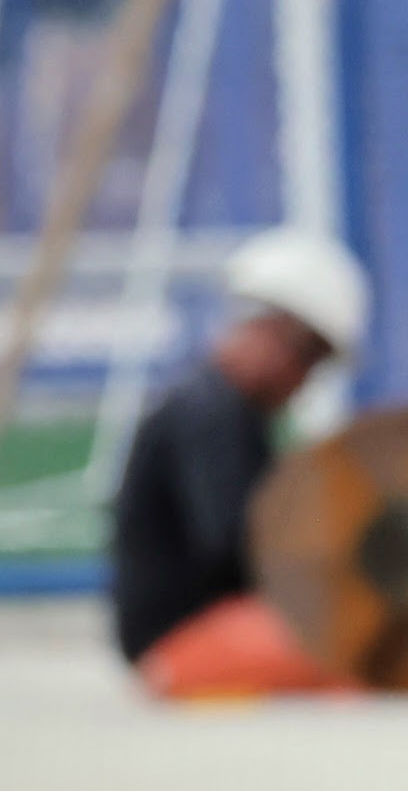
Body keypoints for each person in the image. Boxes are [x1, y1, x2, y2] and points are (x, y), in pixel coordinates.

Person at [105, 224, 369, 696]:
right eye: (309, 360)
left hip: (217, 628)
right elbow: (236, 547)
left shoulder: (228, 411)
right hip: (184, 640)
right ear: (277, 334)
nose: (304, 381)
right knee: (356, 649)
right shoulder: (210, 415)